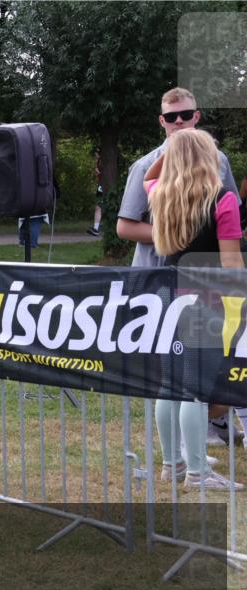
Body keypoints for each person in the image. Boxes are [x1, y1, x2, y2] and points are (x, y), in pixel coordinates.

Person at [116, 87, 244, 447]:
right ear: (161, 121)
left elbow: (228, 222)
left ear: (196, 117)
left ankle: (183, 458)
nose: (178, 122)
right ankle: (192, 461)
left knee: (183, 379)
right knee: (190, 380)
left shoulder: (214, 166)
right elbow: (124, 226)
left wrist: (178, 231)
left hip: (186, 284)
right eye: (171, 117)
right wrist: (177, 233)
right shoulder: (147, 166)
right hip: (173, 284)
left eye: (185, 116)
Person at [144, 129, 244, 491]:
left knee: (169, 386)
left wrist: (172, 149)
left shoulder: (162, 195)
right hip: (205, 300)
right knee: (196, 389)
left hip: (164, 297)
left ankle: (173, 466)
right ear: (208, 157)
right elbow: (232, 264)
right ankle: (199, 474)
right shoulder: (224, 199)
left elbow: (148, 177)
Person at [87, 147, 104, 236]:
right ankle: (96, 228)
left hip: (103, 186)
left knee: (99, 207)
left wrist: (99, 172)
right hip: (100, 186)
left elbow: (103, 175)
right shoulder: (98, 162)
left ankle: (96, 228)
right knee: (98, 207)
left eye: (97, 153)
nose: (95, 155)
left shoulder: (104, 162)